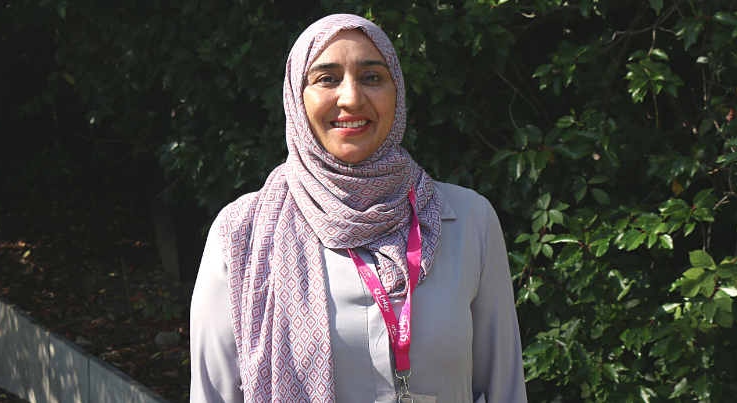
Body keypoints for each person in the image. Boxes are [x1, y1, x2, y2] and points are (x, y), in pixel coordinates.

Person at [190, 14, 527, 403]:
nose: (351, 97)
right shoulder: (242, 234)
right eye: (327, 78)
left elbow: (505, 390)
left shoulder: (470, 221)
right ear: (296, 98)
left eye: (371, 77)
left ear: (396, 93)